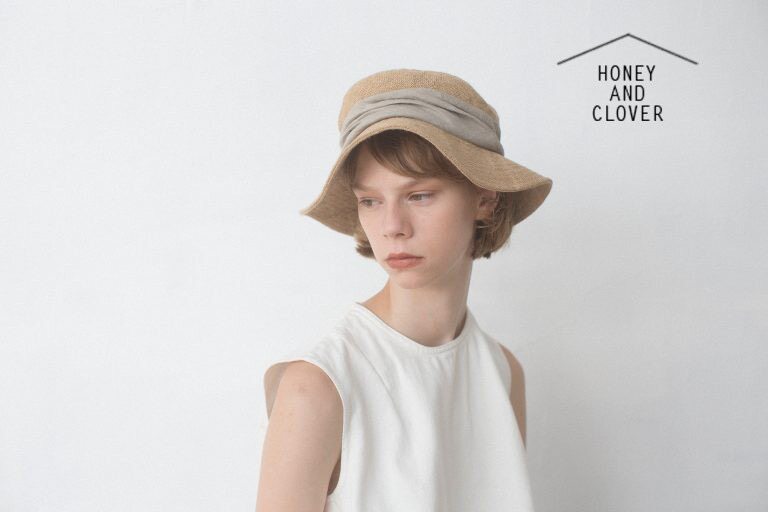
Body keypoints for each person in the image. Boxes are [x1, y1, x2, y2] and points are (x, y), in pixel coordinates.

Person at [255, 68, 553, 512]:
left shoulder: (503, 372)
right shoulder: (318, 386)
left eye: (419, 195)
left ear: (485, 198)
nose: (392, 227)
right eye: (370, 201)